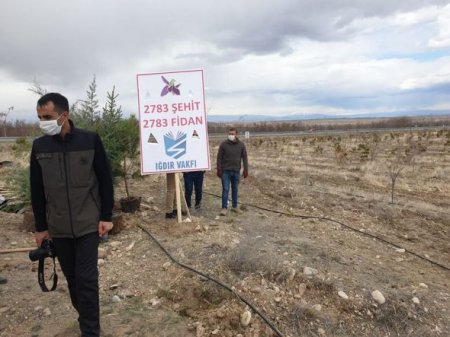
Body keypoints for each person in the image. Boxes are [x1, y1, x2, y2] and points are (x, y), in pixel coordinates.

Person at [30, 93, 114, 337]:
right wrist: (41, 227)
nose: (42, 121)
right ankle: (86, 318)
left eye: (47, 116)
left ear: (63, 115)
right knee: (74, 281)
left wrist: (106, 216)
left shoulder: (89, 140)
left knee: (87, 280)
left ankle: (90, 331)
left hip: (88, 223)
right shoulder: (40, 146)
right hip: (58, 228)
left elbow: (105, 180)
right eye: (39, 117)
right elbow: (37, 189)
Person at [216, 127, 249, 215]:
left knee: (235, 189)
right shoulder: (223, 144)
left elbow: (245, 157)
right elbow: (219, 158)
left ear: (236, 134)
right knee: (225, 189)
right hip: (225, 171)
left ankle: (234, 207)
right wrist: (219, 169)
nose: (231, 135)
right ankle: (224, 208)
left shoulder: (241, 145)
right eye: (229, 134)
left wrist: (246, 169)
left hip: (236, 171)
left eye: (232, 134)